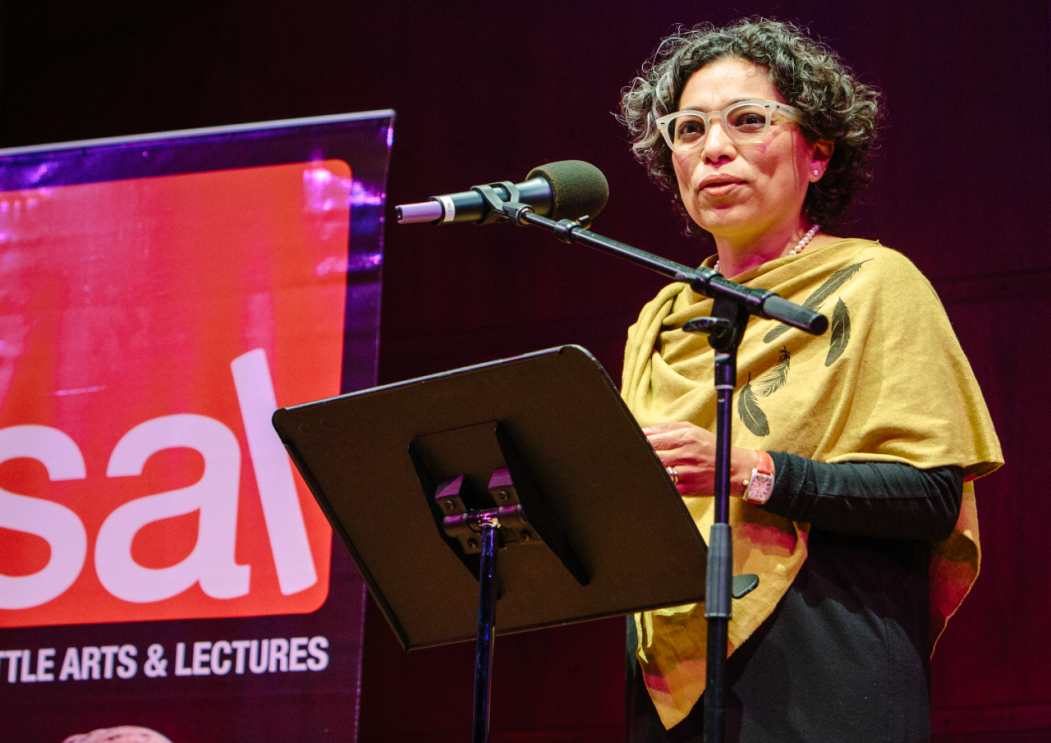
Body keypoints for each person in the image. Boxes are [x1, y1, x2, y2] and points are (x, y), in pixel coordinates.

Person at [617, 18, 1002, 743]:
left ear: (817, 154)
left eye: (747, 121)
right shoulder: (661, 319)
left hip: (829, 676)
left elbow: (929, 497)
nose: (713, 149)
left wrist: (751, 471)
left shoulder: (876, 284)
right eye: (688, 129)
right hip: (673, 685)